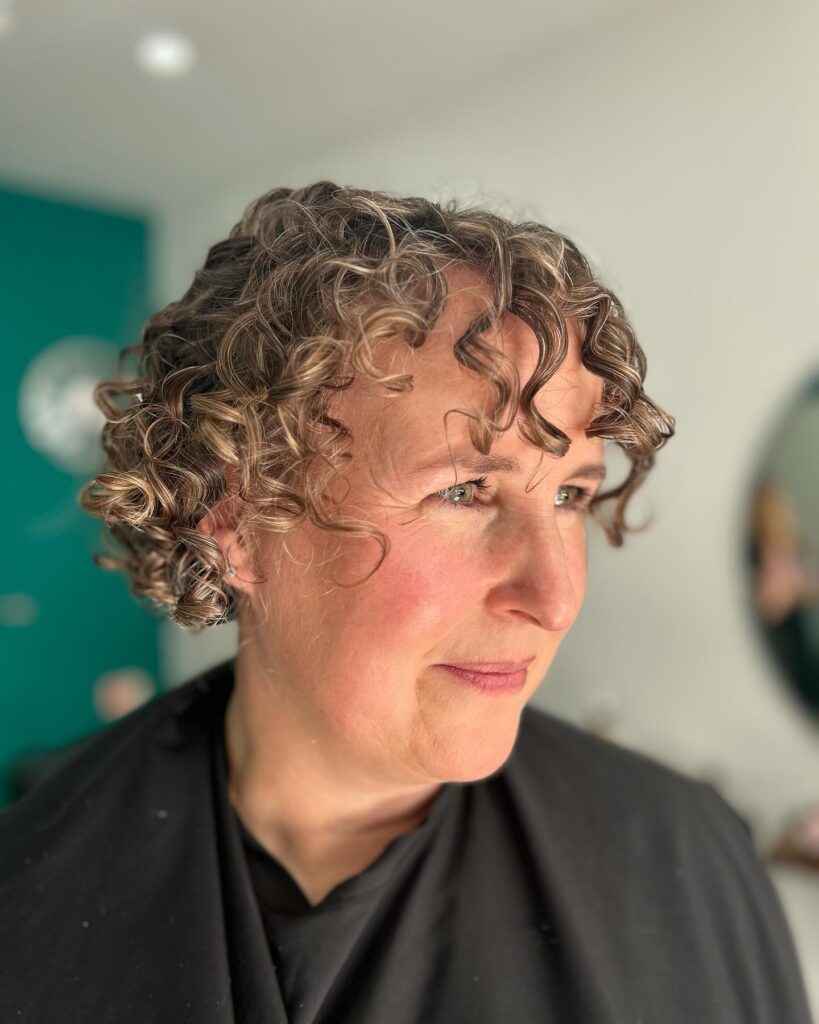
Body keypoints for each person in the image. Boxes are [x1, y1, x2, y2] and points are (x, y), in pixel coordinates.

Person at [0, 182, 812, 1023]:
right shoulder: (29, 909)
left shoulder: (683, 862)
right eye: (465, 491)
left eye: (571, 495)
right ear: (236, 522)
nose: (556, 597)